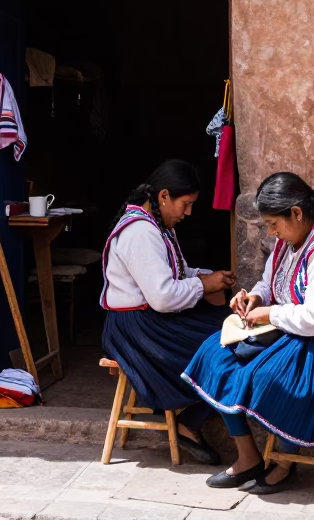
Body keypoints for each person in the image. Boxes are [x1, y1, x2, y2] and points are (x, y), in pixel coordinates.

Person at [182, 172, 314, 494]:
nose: (271, 232)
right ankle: (248, 457)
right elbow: (269, 282)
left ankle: (285, 462)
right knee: (214, 355)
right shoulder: (288, 242)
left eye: (274, 223)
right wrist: (254, 298)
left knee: (268, 378)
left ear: (297, 214)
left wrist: (269, 313)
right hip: (296, 335)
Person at [100, 159, 236, 465]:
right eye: (185, 204)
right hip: (137, 328)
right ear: (163, 197)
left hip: (153, 318)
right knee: (226, 346)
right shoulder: (140, 232)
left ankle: (189, 422)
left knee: (234, 334)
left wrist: (210, 277)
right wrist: (204, 285)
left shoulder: (160, 226)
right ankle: (189, 423)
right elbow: (162, 296)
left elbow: (179, 272)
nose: (187, 213)